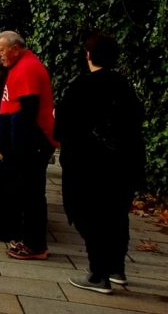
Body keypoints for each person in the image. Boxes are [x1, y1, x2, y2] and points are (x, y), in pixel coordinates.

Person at [56, 33, 144, 294]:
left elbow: (63, 126)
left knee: (88, 215)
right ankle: (117, 268)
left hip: (88, 164)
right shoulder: (124, 85)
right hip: (123, 163)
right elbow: (136, 118)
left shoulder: (81, 86)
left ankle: (98, 273)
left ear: (88, 55)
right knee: (116, 214)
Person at [0, 30, 56, 261]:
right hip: (25, 141)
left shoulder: (28, 68)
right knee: (27, 193)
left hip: (32, 143)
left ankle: (35, 244)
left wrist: (13, 151)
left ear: (15, 48)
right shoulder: (20, 65)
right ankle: (28, 240)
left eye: (1, 50)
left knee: (32, 194)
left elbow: (27, 113)